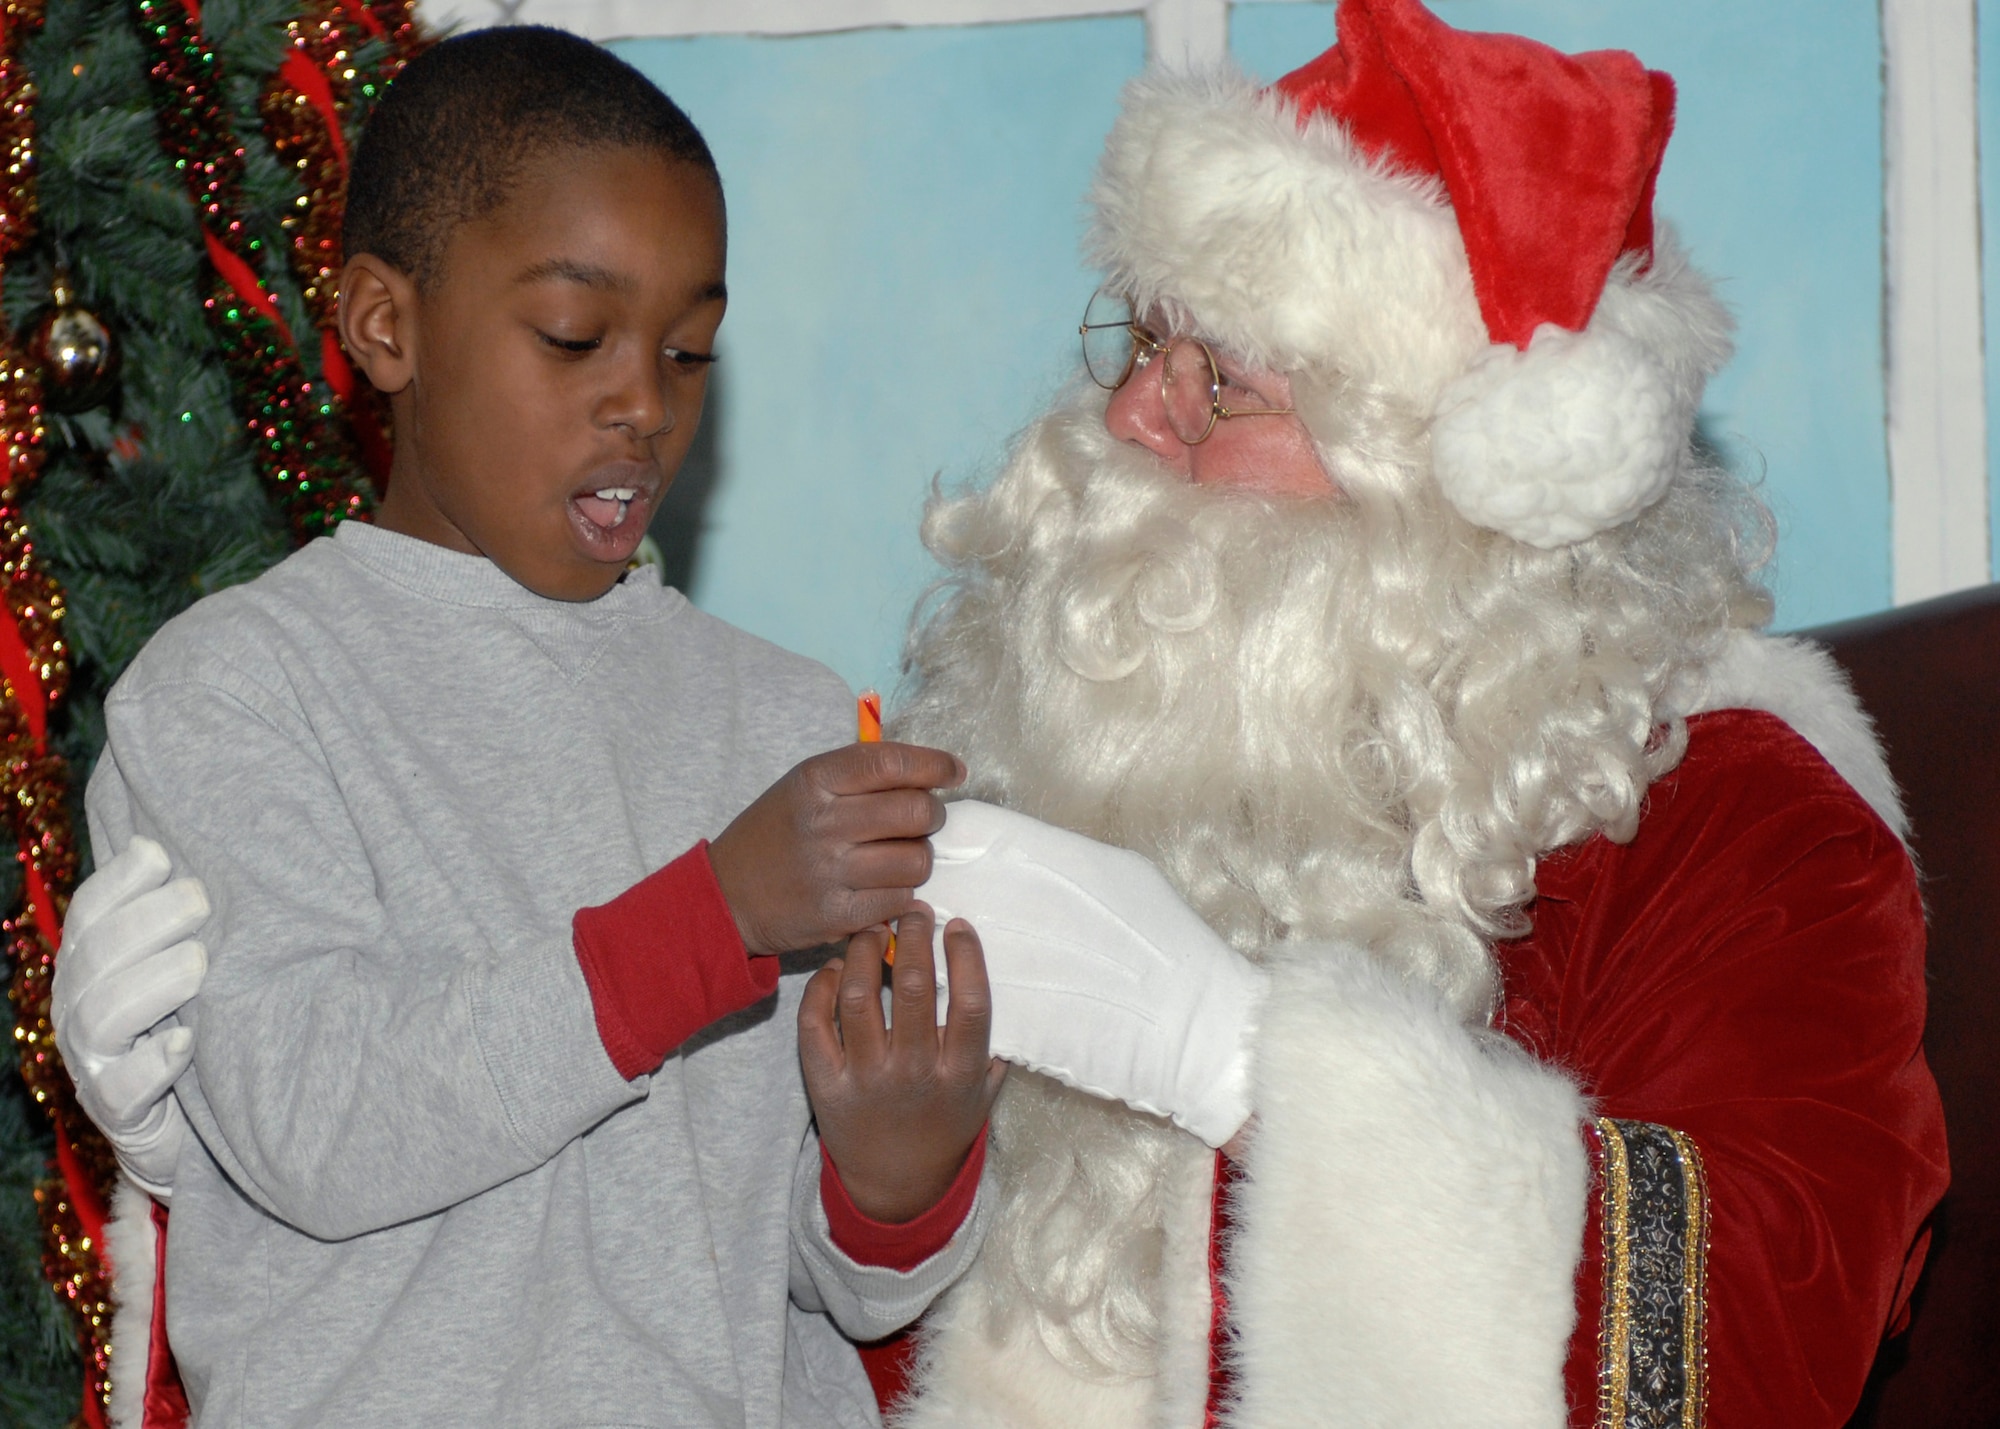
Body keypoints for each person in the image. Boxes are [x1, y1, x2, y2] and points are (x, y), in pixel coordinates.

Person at [62, 1, 1952, 1425]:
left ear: (1451, 485)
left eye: (1226, 389)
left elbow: (1762, 1328)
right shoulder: (1049, 750)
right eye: (1143, 347)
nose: (1132, 423)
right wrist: (215, 1163)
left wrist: (1252, 1064)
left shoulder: (1731, 820)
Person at [53, 26, 1008, 1429]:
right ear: (386, 326)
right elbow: (320, 1123)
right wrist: (714, 914)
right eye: (575, 336)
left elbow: (828, 1290)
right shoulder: (236, 693)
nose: (643, 404)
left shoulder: (786, 718)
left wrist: (894, 1179)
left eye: (689, 353)